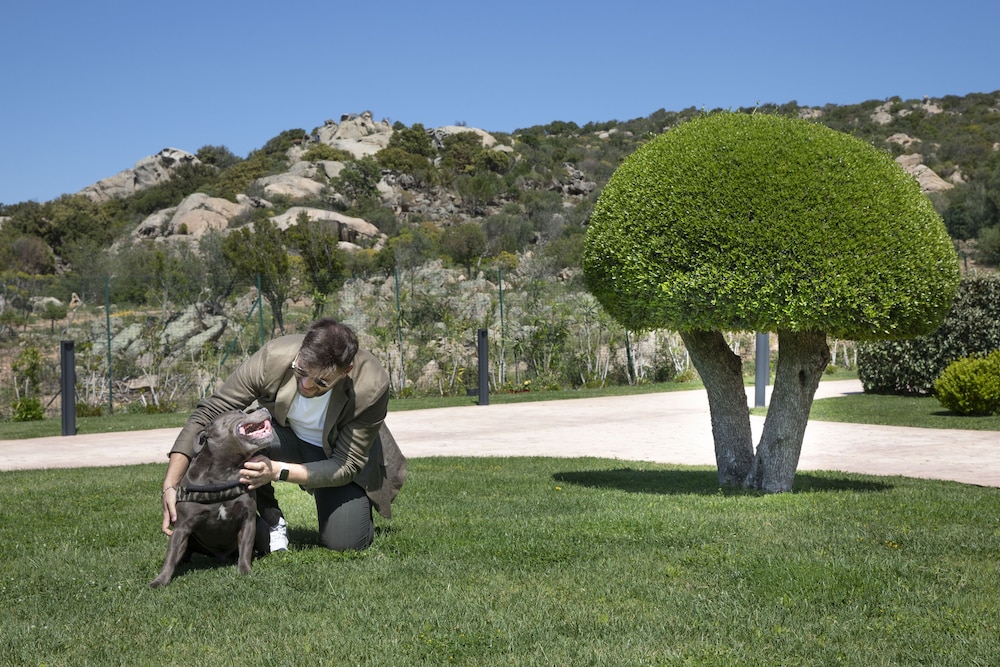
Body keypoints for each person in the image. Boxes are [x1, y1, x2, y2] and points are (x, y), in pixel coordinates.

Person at [160, 318, 406, 553]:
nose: (306, 385)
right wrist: (171, 485)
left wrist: (277, 471)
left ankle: (354, 508)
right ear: (301, 352)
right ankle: (272, 521)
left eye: (321, 382)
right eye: (302, 371)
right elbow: (209, 413)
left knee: (346, 541)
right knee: (233, 437)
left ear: (346, 371)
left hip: (335, 453)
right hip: (284, 436)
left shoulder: (371, 385)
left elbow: (347, 464)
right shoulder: (274, 357)